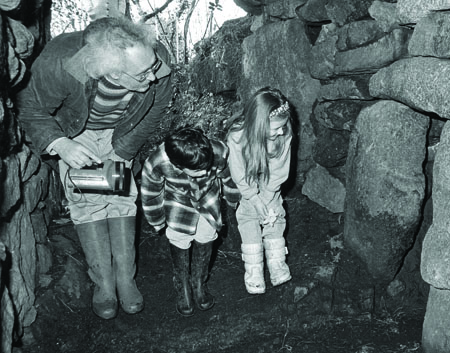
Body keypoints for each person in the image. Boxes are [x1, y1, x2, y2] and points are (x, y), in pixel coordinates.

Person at [17, 17, 173, 319]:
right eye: (142, 74)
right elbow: (29, 104)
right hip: (78, 132)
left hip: (122, 132)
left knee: (120, 197)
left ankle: (125, 279)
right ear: (112, 72)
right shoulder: (63, 63)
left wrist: (125, 148)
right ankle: (104, 284)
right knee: (88, 202)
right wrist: (61, 144)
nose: (153, 76)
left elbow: (155, 108)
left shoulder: (155, 59)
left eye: (152, 67)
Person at [140, 126, 239, 316]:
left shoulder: (219, 151)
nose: (204, 172)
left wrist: (232, 197)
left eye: (206, 167)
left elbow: (229, 176)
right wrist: (157, 220)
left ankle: (198, 282)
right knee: (179, 237)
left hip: (208, 197)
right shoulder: (158, 162)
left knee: (207, 235)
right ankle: (182, 284)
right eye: (197, 170)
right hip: (179, 200)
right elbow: (150, 193)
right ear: (178, 165)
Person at [226, 87, 294, 294]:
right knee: (248, 214)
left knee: (274, 212)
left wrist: (267, 195)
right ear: (258, 124)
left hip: (270, 179)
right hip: (247, 179)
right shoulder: (238, 136)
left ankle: (277, 263)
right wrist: (253, 198)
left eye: (283, 126)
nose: (281, 131)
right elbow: (238, 171)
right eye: (276, 128)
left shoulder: (283, 134)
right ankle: (254, 270)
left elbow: (279, 168)